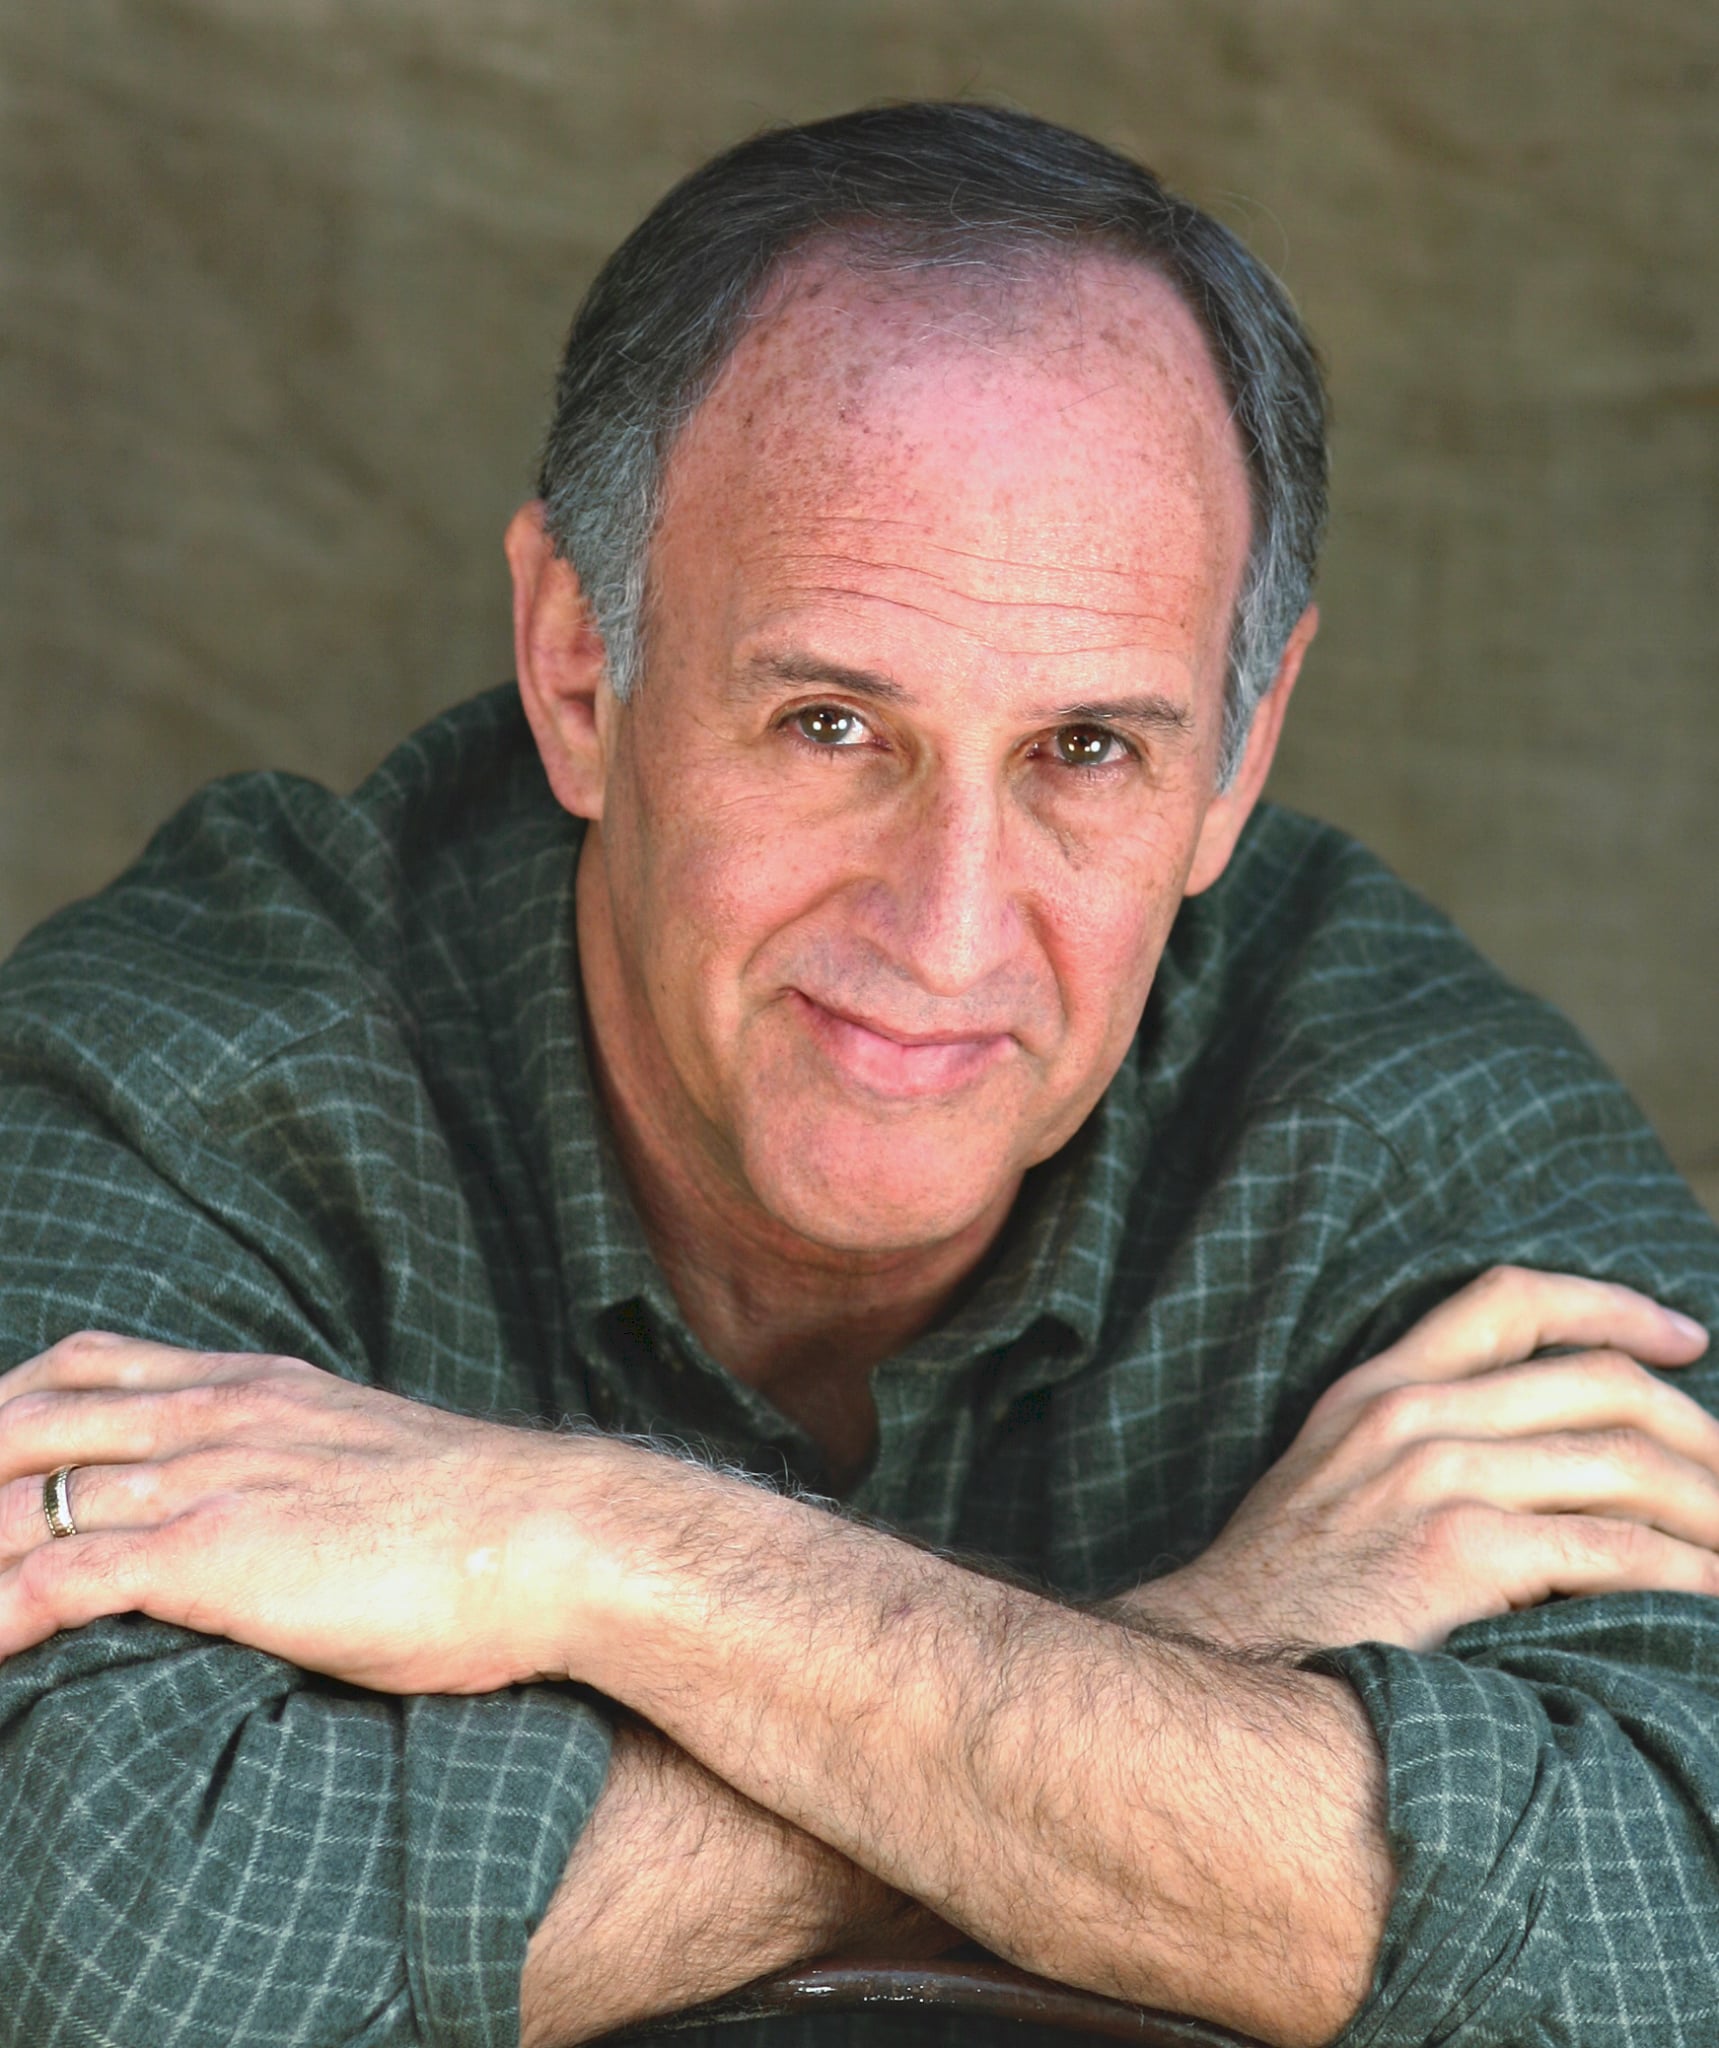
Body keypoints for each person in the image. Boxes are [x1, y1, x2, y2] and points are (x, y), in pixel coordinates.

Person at [1, 101, 1716, 2048]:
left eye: (1086, 752)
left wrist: (593, 1550)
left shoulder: (1398, 1119)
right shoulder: (201, 1070)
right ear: (577, 670)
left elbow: (1673, 1938)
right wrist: (1205, 1649)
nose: (948, 926)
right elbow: (114, 1955)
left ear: (1236, 761)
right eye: (831, 724)